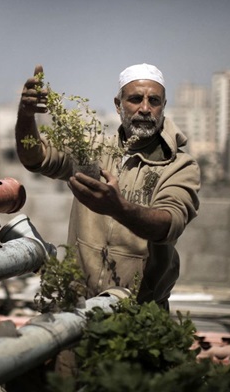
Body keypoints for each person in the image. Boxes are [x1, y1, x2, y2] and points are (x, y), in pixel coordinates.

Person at [15, 63, 200, 310]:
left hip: (138, 311)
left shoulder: (179, 166)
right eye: (135, 99)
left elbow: (168, 225)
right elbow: (35, 158)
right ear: (118, 105)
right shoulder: (91, 150)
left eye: (154, 101)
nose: (145, 108)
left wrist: (118, 208)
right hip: (77, 306)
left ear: (163, 106)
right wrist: (26, 116)